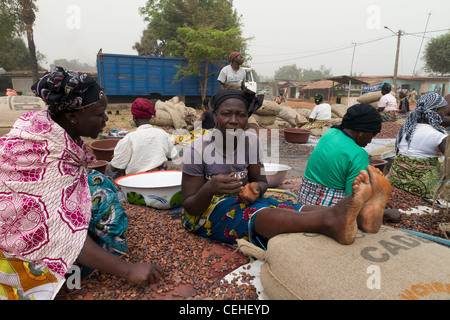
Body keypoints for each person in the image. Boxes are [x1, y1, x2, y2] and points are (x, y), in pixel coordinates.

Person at [0, 67, 164, 300]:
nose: (106, 119)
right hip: (16, 255)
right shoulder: (48, 158)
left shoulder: (50, 129)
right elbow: (61, 231)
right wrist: (128, 270)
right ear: (73, 116)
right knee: (104, 197)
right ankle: (63, 278)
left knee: (99, 182)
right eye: (100, 114)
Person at [180, 89, 393, 251]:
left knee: (280, 205)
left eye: (241, 115)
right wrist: (209, 188)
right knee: (254, 213)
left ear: (248, 117)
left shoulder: (250, 142)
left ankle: (355, 217)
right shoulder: (198, 149)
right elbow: (190, 207)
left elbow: (261, 181)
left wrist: (256, 187)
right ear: (215, 115)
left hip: (241, 200)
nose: (234, 121)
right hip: (204, 212)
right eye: (226, 114)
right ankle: (331, 221)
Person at [298, 103, 400, 223]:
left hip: (303, 202)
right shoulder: (358, 154)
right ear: (361, 131)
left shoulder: (330, 133)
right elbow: (353, 203)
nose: (371, 140)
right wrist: (385, 213)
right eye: (372, 135)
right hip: (326, 212)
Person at [387, 92, 448, 200]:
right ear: (436, 111)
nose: (444, 115)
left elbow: (397, 153)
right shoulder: (439, 134)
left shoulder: (406, 129)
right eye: (444, 111)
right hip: (423, 187)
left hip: (395, 181)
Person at [110, 98, 178, 178]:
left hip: (137, 183)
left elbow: (115, 167)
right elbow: (173, 155)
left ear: (134, 117)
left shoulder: (129, 139)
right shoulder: (162, 134)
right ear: (150, 117)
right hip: (160, 179)